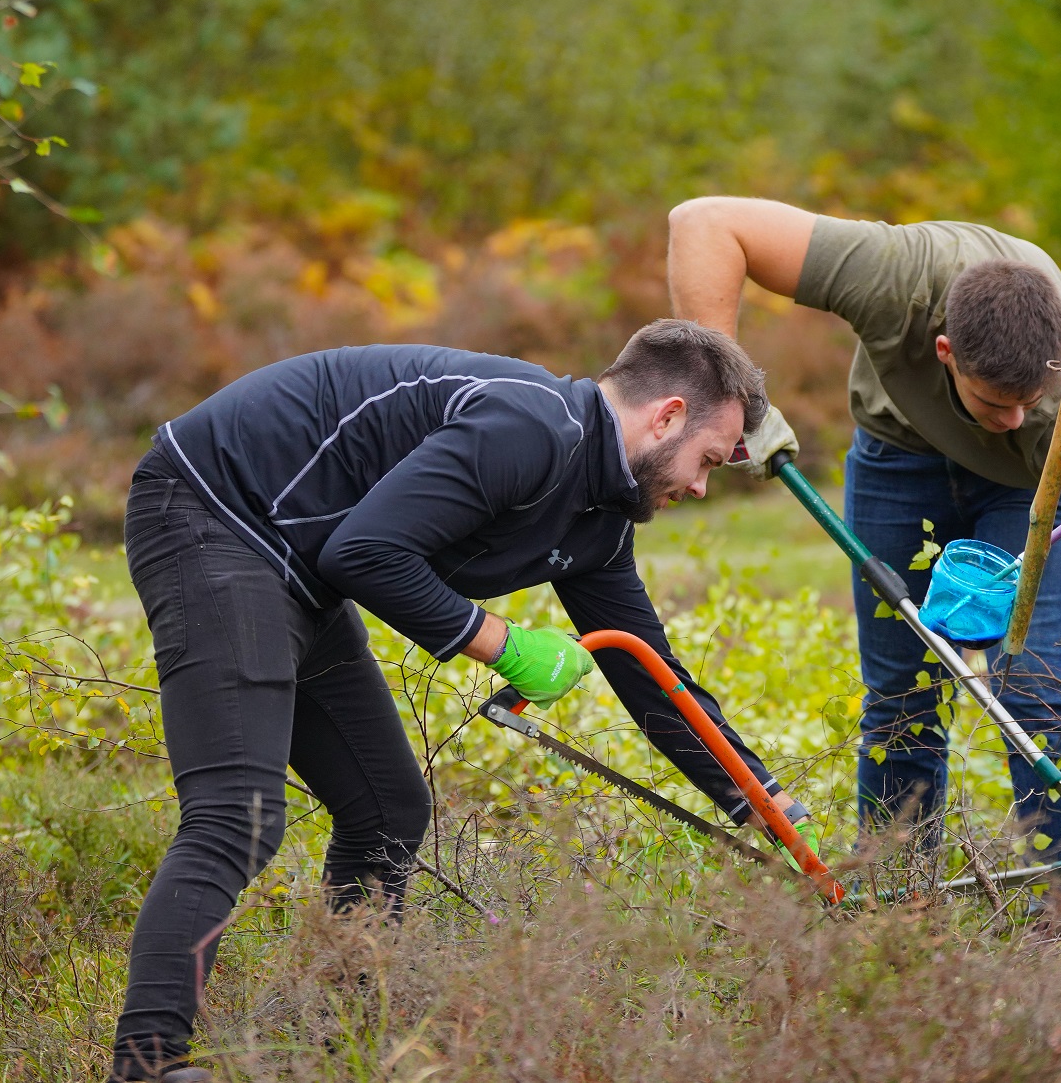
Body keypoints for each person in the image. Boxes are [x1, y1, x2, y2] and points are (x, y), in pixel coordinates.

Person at [111, 322, 808, 1081]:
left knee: (387, 809)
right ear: (666, 416)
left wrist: (760, 800)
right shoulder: (529, 426)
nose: (701, 486)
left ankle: (336, 1045)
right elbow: (366, 553)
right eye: (706, 461)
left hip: (300, 567)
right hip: (213, 513)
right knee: (235, 814)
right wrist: (502, 644)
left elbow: (651, 675)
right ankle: (146, 1066)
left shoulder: (600, 517)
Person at [667, 197, 1061, 858]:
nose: (1012, 420)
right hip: (899, 459)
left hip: (1030, 485)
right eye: (996, 404)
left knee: (1036, 686)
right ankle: (897, 886)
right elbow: (704, 223)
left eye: (1027, 403)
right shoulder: (893, 277)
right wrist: (726, 400)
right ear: (943, 350)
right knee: (901, 694)